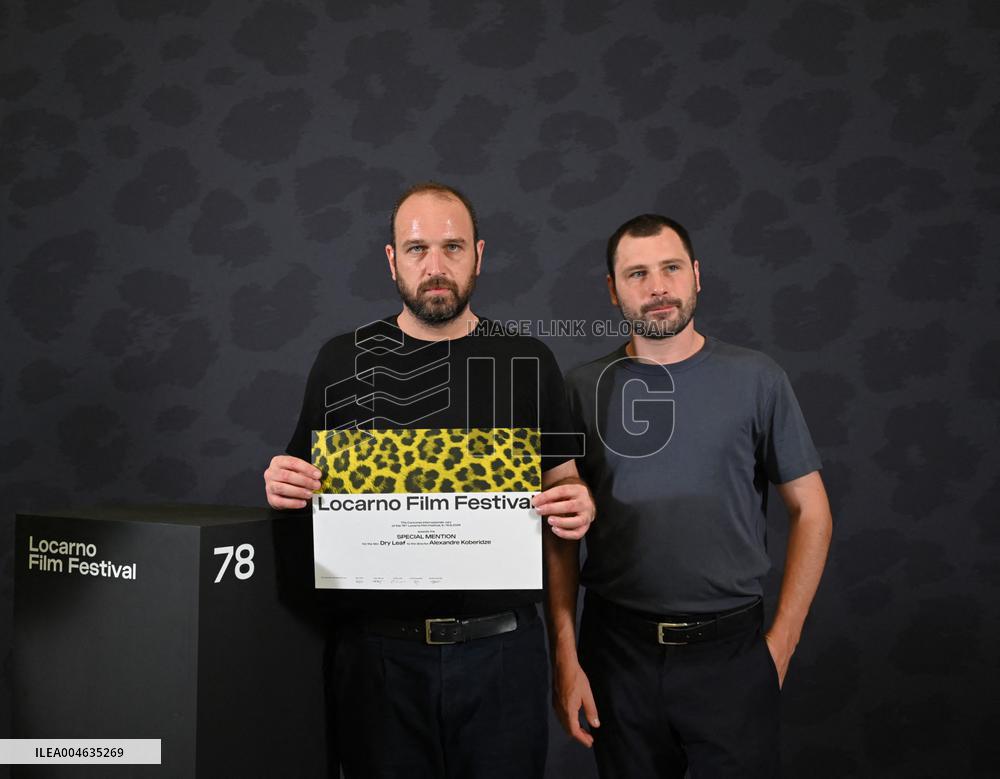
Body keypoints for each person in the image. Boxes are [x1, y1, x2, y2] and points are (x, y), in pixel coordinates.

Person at [263, 182, 595, 779]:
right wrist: (283, 484)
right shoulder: (343, 360)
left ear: (480, 255)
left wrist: (578, 507)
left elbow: (564, 514)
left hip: (502, 656)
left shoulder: (527, 361)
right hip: (376, 660)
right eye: (417, 250)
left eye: (453, 247)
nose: (435, 267)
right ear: (392, 260)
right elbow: (300, 488)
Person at [546, 214, 833, 778]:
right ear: (612, 289)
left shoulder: (757, 379)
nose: (657, 288)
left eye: (671, 268)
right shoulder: (580, 390)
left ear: (696, 275)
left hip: (731, 653)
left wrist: (781, 644)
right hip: (618, 652)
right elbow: (559, 537)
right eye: (637, 274)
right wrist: (566, 656)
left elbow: (813, 512)